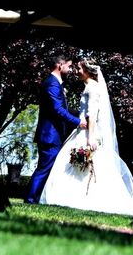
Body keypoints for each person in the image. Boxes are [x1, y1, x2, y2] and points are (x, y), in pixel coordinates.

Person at [40, 58, 133, 216]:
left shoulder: (92, 89)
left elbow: (92, 115)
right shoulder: (88, 87)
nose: (77, 71)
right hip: (82, 130)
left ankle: (82, 199)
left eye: (79, 68)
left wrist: (90, 138)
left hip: (87, 133)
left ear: (87, 71)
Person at [26, 54, 87, 204]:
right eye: (69, 66)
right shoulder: (52, 84)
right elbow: (57, 109)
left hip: (52, 135)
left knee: (46, 167)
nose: (71, 69)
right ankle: (30, 199)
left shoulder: (55, 83)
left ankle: (35, 198)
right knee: (44, 168)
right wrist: (78, 121)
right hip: (50, 135)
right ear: (60, 65)